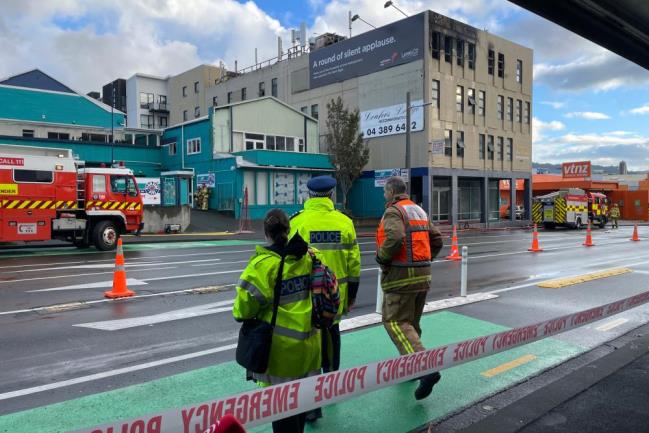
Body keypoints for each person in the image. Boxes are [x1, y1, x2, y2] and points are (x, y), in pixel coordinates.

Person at [233, 209, 322, 433]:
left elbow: (242, 310)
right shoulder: (309, 256)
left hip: (280, 351)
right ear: (288, 230)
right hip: (310, 345)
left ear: (266, 233)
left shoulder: (263, 266)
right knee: (301, 403)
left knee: (282, 411)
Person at [289, 175, 361, 422]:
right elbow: (354, 264)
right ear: (331, 195)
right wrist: (351, 295)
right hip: (335, 296)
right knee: (333, 334)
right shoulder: (344, 222)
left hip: (307, 297)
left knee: (310, 343)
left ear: (309, 196)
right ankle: (330, 384)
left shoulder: (297, 222)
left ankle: (311, 401)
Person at [375, 176, 444, 400]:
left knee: (395, 322)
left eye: (385, 192)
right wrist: (424, 260)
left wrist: (382, 258)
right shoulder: (418, 210)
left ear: (391, 192)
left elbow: (395, 237)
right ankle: (412, 368)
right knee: (411, 324)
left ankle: (425, 367)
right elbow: (437, 239)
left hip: (400, 277)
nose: (384, 196)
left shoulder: (394, 211)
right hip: (422, 276)